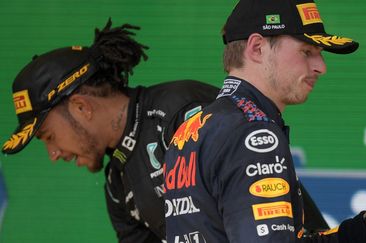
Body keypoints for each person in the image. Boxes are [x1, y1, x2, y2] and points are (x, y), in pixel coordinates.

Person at [163, 0, 366, 242]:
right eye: (307, 51)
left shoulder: (194, 127)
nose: (321, 66)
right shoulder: (254, 133)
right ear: (257, 48)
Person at [1, 19, 219, 242]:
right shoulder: (117, 185)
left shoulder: (181, 114)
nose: (54, 154)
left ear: (81, 107)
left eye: (49, 137)